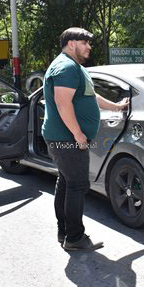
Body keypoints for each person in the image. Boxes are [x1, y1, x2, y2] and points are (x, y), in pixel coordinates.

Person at [42, 27, 128, 251]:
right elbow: (62, 103)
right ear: (71, 44)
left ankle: (64, 232)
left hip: (66, 137)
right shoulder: (66, 67)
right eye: (85, 43)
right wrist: (78, 134)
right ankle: (75, 238)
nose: (89, 47)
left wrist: (116, 106)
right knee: (78, 185)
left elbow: (92, 95)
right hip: (67, 138)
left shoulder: (76, 68)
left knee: (67, 183)